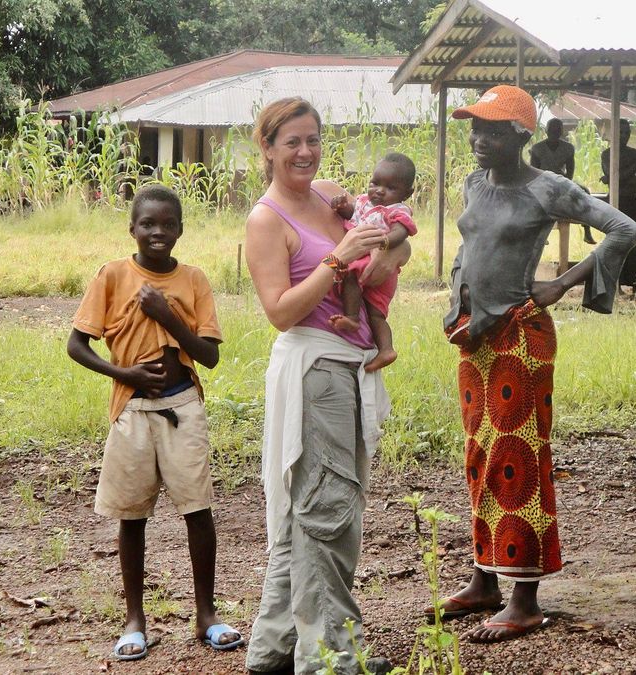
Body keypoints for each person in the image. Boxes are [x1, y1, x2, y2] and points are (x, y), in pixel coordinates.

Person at [438, 85, 636, 643]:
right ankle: (485, 579)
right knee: (480, 453)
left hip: (520, 337)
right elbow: (467, 251)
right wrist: (457, 307)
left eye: (495, 130)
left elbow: (624, 229)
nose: (480, 139)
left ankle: (523, 599)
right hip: (475, 338)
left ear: (523, 136)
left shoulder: (548, 188)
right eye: (475, 128)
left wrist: (560, 286)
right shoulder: (475, 183)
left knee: (516, 459)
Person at [244, 97, 405, 675]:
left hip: (348, 362)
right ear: (266, 147)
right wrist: (337, 260)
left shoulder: (331, 194)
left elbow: (386, 242)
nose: (306, 152)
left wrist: (386, 249)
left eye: (312, 139)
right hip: (316, 370)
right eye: (292, 142)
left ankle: (273, 649)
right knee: (327, 510)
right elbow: (281, 312)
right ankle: (331, 658)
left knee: (302, 512)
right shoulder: (266, 220)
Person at [65, 184, 241, 661]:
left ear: (180, 230)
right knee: (132, 516)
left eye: (167, 224)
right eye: (148, 224)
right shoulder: (112, 275)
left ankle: (206, 614)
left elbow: (208, 356)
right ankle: (135, 620)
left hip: (183, 406)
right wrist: (124, 373)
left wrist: (167, 315)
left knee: (197, 510)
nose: (158, 232)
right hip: (133, 410)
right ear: (132, 229)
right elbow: (77, 346)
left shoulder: (194, 280)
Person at [329, 152, 419, 372]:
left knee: (350, 278)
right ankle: (386, 350)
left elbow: (402, 232)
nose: (379, 190)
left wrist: (385, 243)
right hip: (366, 259)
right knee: (374, 312)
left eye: (390, 188)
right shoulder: (362, 202)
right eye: (375, 183)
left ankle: (354, 320)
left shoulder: (397, 210)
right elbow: (352, 215)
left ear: (407, 193)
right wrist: (341, 207)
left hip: (376, 264)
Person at [530, 117, 596, 245]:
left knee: (585, 192)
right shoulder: (537, 148)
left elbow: (570, 170)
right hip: (543, 181)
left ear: (561, 131)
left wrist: (565, 185)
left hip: (561, 181)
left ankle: (587, 231)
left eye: (557, 129)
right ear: (546, 131)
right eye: (552, 129)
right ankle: (541, 233)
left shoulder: (568, 148)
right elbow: (533, 171)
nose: (555, 132)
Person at [599, 119, 636, 288]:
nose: (624, 136)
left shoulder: (634, 153)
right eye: (621, 132)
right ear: (613, 134)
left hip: (632, 202)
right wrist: (634, 168)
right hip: (616, 203)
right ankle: (615, 285)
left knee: (635, 244)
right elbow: (613, 176)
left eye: (627, 132)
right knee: (614, 245)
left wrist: (616, 177)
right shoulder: (607, 154)